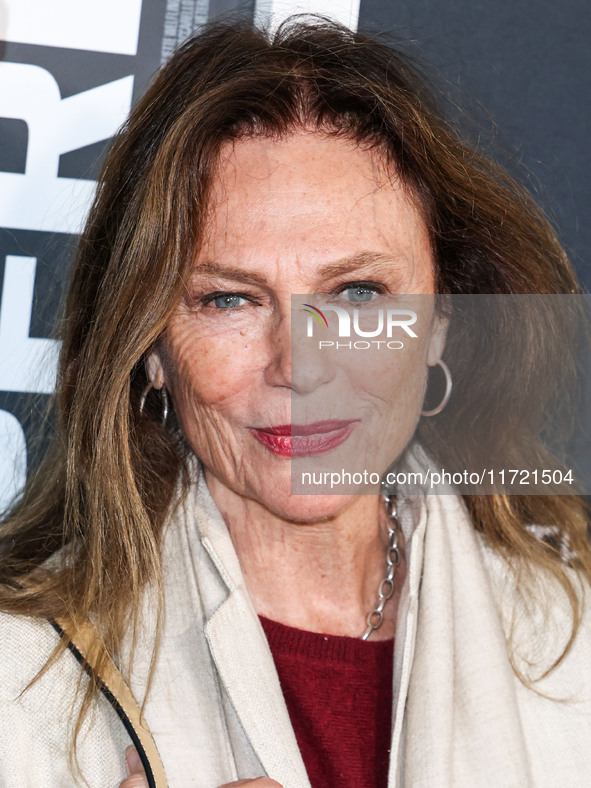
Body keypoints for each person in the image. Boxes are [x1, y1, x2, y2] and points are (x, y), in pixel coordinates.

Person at [1, 15, 590, 788]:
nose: (300, 367)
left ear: (442, 322)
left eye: (355, 293)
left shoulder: (570, 625)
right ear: (150, 349)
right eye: (228, 300)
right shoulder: (22, 670)